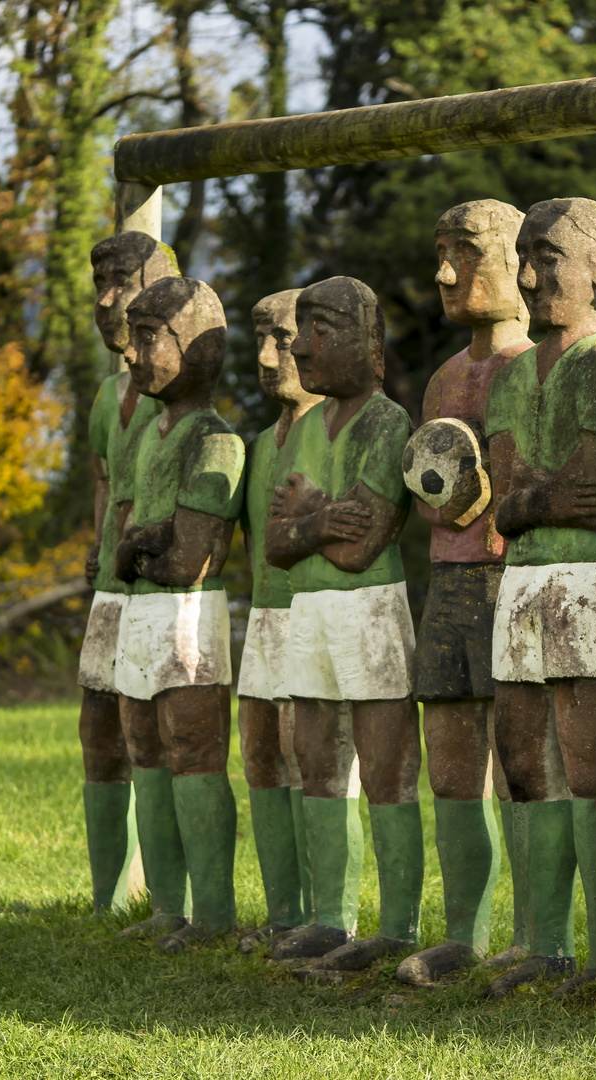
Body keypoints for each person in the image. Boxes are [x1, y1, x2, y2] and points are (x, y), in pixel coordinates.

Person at [483, 198, 596, 999]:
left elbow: (595, 493)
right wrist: (538, 496)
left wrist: (532, 497)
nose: (531, 274)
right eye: (524, 257)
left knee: (592, 762)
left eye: (550, 256)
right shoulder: (512, 375)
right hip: (521, 584)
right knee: (521, 759)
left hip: (589, 585)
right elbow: (508, 498)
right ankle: (538, 937)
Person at [395, 200, 535, 986]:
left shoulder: (539, 369)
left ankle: (533, 931)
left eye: (468, 253)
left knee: (521, 761)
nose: (446, 272)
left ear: (520, 260)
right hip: (449, 580)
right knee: (450, 759)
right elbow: (427, 493)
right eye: (441, 252)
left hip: (512, 577)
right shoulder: (445, 377)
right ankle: (463, 932)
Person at [264, 277, 422, 970]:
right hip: (309, 612)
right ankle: (330, 917)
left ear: (369, 343)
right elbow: (273, 543)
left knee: (385, 768)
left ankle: (397, 925)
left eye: (321, 328)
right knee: (317, 763)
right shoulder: (301, 431)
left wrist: (308, 519)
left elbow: (363, 546)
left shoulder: (388, 423)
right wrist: (323, 516)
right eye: (301, 328)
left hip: (369, 612)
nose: (301, 344)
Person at [113, 276, 245, 954]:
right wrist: (141, 543)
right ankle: (167, 904)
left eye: (146, 338)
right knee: (142, 746)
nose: (130, 354)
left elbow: (187, 557)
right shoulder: (146, 435)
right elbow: (128, 541)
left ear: (191, 345)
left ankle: (213, 912)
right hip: (140, 616)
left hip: (187, 615)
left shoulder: (216, 440)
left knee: (192, 749)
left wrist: (141, 544)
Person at [79, 231, 176, 921]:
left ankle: (177, 897)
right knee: (99, 730)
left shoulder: (178, 392)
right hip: (111, 593)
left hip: (164, 592)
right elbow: (103, 481)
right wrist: (98, 545)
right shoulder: (106, 393)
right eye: (99, 284)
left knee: (163, 734)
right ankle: (110, 897)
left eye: (122, 280)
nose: (108, 299)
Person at [234, 289, 321, 953]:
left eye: (283, 339)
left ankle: (325, 914)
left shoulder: (337, 427)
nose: (268, 356)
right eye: (259, 339)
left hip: (316, 614)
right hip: (263, 617)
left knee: (310, 755)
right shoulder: (259, 442)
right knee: (262, 755)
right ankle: (282, 911)